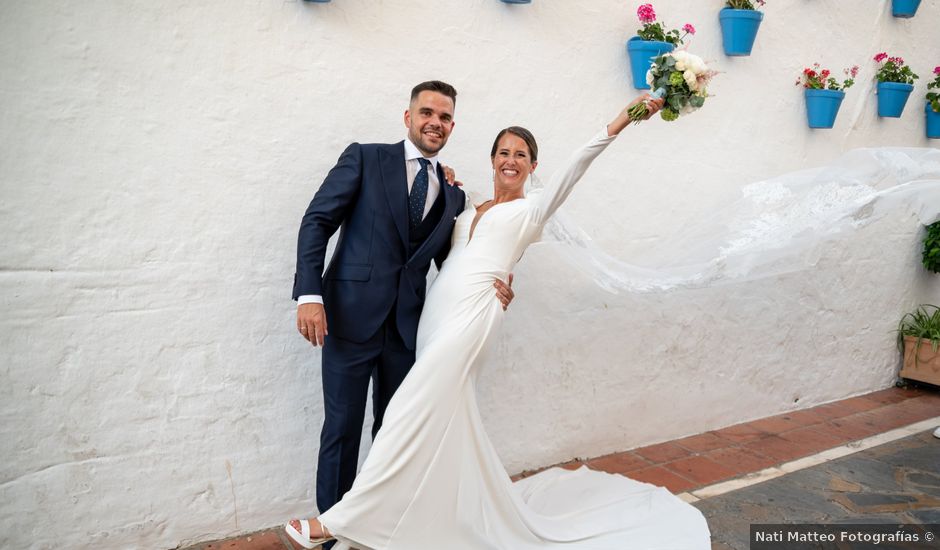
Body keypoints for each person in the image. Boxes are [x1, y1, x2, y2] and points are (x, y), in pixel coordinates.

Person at [287, 94, 712, 549]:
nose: (511, 161)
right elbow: (440, 253)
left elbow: (581, 162)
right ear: (492, 160)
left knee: (405, 414)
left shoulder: (533, 210)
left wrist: (626, 118)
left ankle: (335, 524)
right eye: (504, 152)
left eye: (521, 155)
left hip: (471, 320)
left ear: (533, 166)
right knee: (417, 421)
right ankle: (396, 523)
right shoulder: (463, 203)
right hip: (429, 320)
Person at [293, 80, 515, 524]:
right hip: (348, 318)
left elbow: (453, 266)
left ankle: (377, 520)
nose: (436, 122)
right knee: (342, 429)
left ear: (453, 126)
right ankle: (333, 527)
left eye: (445, 117)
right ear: (408, 117)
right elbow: (318, 221)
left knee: (394, 432)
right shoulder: (366, 157)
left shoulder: (452, 194)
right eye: (428, 113)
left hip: (408, 330)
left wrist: (494, 284)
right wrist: (309, 294)